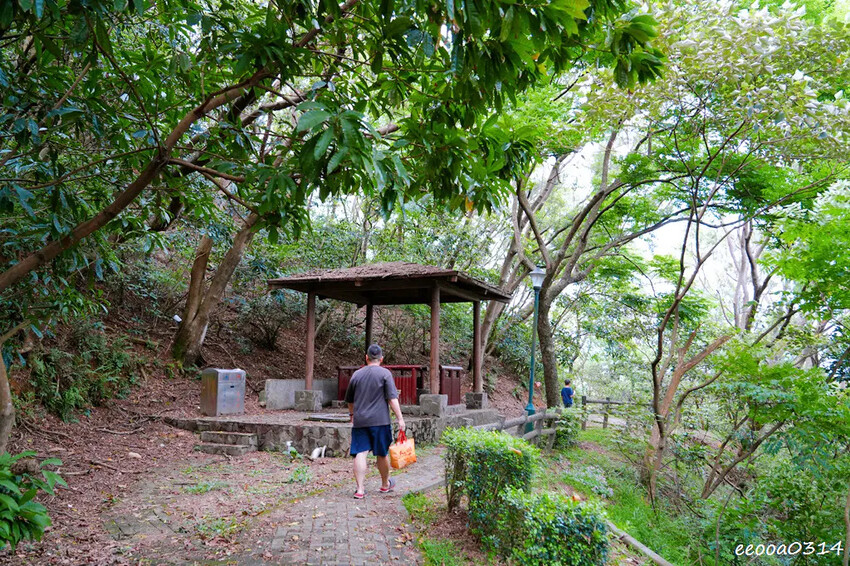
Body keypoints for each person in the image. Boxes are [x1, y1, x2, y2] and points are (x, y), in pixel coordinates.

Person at [345, 343, 405, 499]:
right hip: (380, 421)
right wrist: (400, 418)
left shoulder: (356, 375)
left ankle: (360, 489)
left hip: (360, 421)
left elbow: (350, 401)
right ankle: (385, 485)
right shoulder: (385, 374)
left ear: (366, 358)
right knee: (381, 453)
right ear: (381, 359)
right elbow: (392, 398)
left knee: (360, 452)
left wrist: (352, 415)